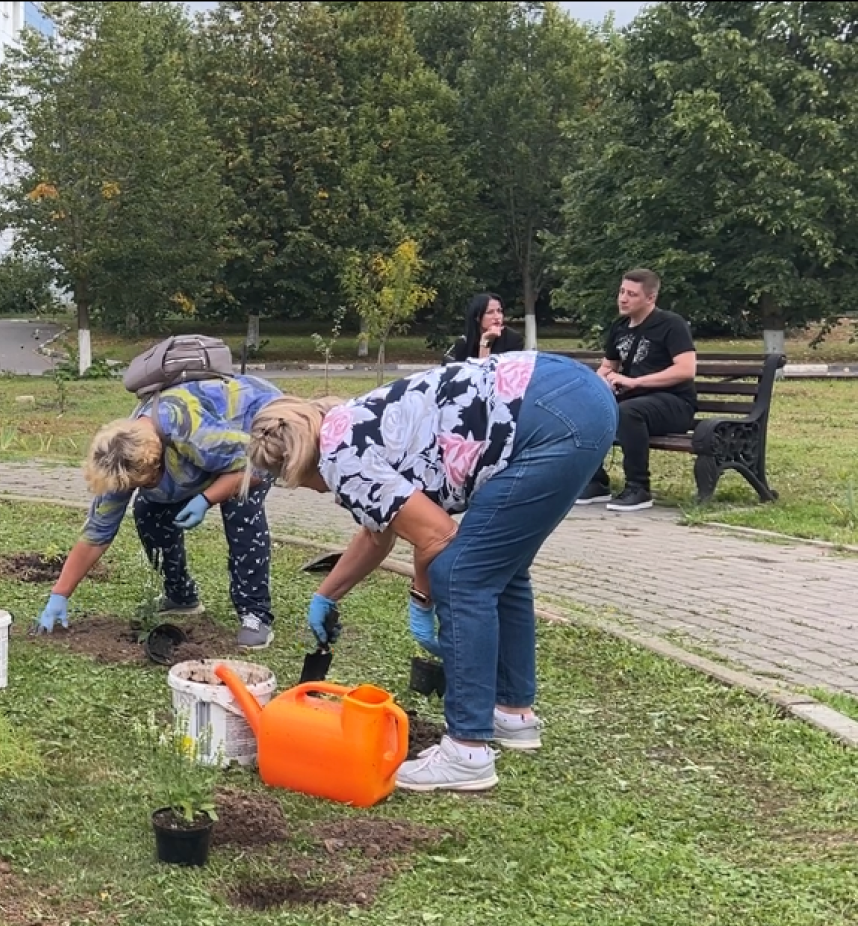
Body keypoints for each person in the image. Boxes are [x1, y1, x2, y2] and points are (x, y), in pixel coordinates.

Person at [247, 350, 617, 794]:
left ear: (293, 466)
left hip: (547, 423)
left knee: (462, 574)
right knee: (502, 567)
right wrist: (327, 594)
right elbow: (379, 532)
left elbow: (439, 537)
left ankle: (466, 753)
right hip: (574, 396)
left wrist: (422, 599)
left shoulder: (339, 460)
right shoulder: (350, 424)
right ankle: (512, 713)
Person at [33, 375, 285, 650]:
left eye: (141, 483)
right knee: (148, 510)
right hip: (206, 454)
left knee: (241, 507)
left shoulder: (190, 431)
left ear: (155, 464)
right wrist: (59, 594)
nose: (134, 489)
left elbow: (256, 466)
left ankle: (255, 615)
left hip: (259, 429)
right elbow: (97, 534)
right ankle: (181, 596)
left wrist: (206, 498)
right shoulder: (119, 455)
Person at [577, 268, 697, 512]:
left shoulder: (671, 324)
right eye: (622, 291)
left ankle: (639, 488)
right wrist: (598, 384)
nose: (623, 299)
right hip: (635, 402)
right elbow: (608, 366)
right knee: (587, 407)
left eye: (631, 294)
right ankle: (596, 482)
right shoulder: (620, 326)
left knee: (629, 412)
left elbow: (686, 369)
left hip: (674, 404)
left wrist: (636, 382)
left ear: (650, 298)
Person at [443, 292, 524, 362]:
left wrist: (486, 342)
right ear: (477, 317)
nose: (497, 317)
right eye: (490, 312)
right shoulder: (464, 342)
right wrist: (485, 341)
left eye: (499, 311)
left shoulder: (513, 339)